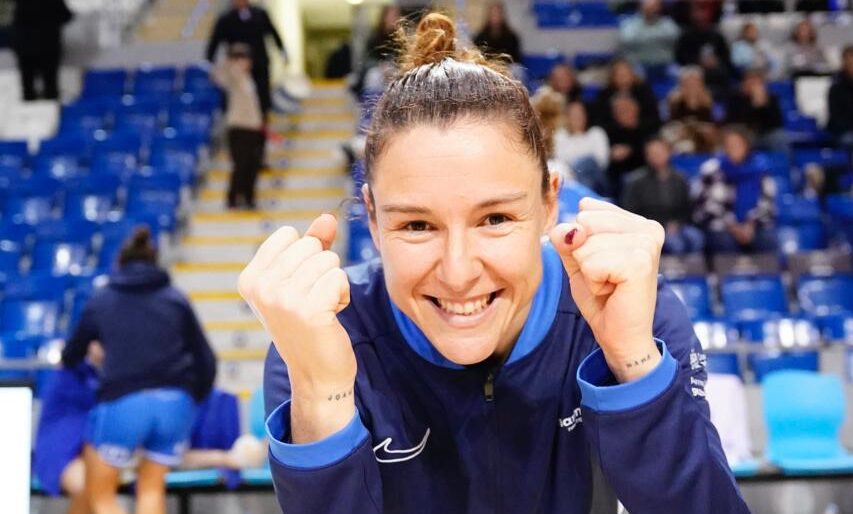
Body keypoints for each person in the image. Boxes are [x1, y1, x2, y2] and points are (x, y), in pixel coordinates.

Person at [243, 14, 750, 513]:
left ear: (550, 203)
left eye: (495, 218)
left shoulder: (625, 307)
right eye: (417, 226)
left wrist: (633, 364)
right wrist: (322, 394)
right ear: (372, 218)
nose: (459, 272)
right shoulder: (325, 336)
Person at [61, 227, 217, 514]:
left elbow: (71, 354)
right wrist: (191, 397)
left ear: (119, 263)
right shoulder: (175, 298)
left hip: (124, 401)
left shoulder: (102, 298)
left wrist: (92, 362)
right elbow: (206, 359)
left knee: (102, 496)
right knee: (151, 490)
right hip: (175, 403)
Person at [35, 344, 265, 514]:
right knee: (97, 486)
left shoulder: (150, 387)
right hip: (79, 451)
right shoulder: (73, 378)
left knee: (131, 481)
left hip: (127, 455)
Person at [693, 125, 778, 254]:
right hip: (721, 225)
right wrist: (733, 226)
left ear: (746, 146)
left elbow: (767, 202)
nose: (733, 148)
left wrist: (751, 224)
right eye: (729, 144)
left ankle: (769, 274)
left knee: (768, 239)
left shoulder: (761, 169)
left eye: (737, 144)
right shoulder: (711, 170)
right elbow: (707, 205)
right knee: (724, 242)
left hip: (754, 225)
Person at [206, 0, 286, 117]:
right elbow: (214, 42)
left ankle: (262, 125)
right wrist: (210, 61)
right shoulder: (225, 19)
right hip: (236, 72)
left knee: (261, 100)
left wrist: (282, 50)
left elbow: (273, 33)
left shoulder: (260, 14)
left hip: (259, 66)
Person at [623, 138, 704, 254]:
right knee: (675, 244)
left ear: (668, 153)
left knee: (696, 238)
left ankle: (694, 271)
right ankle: (674, 272)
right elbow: (630, 211)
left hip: (677, 225)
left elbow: (687, 208)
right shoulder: (636, 181)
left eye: (659, 153)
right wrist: (660, 225)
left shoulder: (680, 178)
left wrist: (677, 223)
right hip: (651, 226)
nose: (656, 156)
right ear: (647, 156)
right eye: (652, 154)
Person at [212, 43, 266, 210]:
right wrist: (230, 61)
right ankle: (233, 199)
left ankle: (249, 198)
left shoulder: (248, 79)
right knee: (240, 164)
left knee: (252, 164)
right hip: (239, 127)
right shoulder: (233, 77)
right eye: (241, 58)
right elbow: (218, 76)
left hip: (253, 127)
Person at [11, 0, 72, 101]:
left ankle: (29, 106)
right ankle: (49, 105)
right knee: (50, 83)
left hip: (26, 46)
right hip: (48, 45)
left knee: (28, 84)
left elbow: (17, 20)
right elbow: (66, 16)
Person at [674, 1, 733, 96]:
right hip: (693, 66)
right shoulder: (686, 36)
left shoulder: (716, 36)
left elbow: (725, 55)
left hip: (714, 67)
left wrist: (717, 61)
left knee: (723, 72)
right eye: (698, 20)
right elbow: (680, 57)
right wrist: (698, 61)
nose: (701, 21)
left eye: (703, 20)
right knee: (693, 74)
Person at [590, 58, 662, 136]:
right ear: (613, 77)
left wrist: (636, 124)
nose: (623, 78)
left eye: (626, 74)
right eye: (620, 75)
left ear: (632, 74)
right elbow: (599, 123)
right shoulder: (604, 96)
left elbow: (654, 120)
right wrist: (619, 125)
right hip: (614, 137)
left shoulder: (644, 93)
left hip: (642, 135)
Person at [555, 99, 610, 195]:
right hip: (570, 178)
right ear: (566, 118)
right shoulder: (560, 136)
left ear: (586, 115)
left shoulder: (596, 133)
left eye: (580, 114)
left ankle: (580, 196)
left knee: (588, 161)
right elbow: (560, 161)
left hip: (596, 178)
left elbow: (601, 161)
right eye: (573, 115)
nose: (577, 118)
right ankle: (584, 196)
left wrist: (577, 165)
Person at [724, 69, 787, 152]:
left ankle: (784, 163)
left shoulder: (771, 99)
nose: (755, 87)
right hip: (745, 133)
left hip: (766, 133)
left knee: (779, 136)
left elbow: (776, 123)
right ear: (744, 83)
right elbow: (736, 121)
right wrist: (754, 106)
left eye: (758, 83)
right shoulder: (736, 99)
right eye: (752, 83)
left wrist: (763, 106)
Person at [606, 94, 652, 197]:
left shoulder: (648, 129)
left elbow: (651, 152)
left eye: (626, 109)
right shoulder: (611, 132)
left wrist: (629, 151)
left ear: (636, 109)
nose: (623, 113)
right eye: (618, 111)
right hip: (616, 175)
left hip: (645, 171)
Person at [664, 66, 718, 153]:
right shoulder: (674, 101)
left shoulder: (709, 100)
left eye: (695, 82)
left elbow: (715, 123)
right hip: (682, 135)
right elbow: (671, 123)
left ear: (701, 83)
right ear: (682, 84)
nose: (691, 85)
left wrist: (700, 127)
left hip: (704, 136)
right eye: (688, 82)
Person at [619, 0, 679, 72]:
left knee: (677, 72)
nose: (651, 10)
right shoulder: (630, 24)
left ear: (659, 8)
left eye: (654, 7)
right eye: (648, 7)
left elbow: (675, 38)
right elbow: (627, 39)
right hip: (638, 65)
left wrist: (644, 37)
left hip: (665, 64)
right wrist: (657, 37)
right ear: (641, 7)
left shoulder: (668, 23)